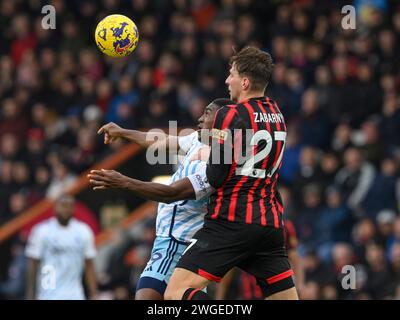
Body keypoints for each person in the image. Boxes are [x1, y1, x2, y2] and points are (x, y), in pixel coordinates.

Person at [164, 46, 299, 300]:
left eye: (232, 74)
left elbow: (216, 177)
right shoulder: (277, 114)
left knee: (175, 293)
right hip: (269, 225)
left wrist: (210, 153)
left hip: (231, 222)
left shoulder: (228, 114)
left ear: (245, 82)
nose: (227, 80)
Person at [88, 98, 233, 300]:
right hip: (170, 239)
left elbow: (171, 193)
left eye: (207, 113)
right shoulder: (197, 140)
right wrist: (123, 132)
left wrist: (124, 182)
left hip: (181, 243)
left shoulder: (218, 163)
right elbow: (160, 141)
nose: (199, 118)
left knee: (148, 296)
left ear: (222, 121)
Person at [25, 194, 97, 300]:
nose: (66, 209)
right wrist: (30, 295)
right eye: (63, 205)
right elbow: (32, 265)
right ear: (55, 207)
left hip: (75, 294)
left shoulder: (83, 231)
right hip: (47, 294)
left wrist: (94, 294)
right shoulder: (42, 231)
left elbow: (89, 266)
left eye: (69, 206)